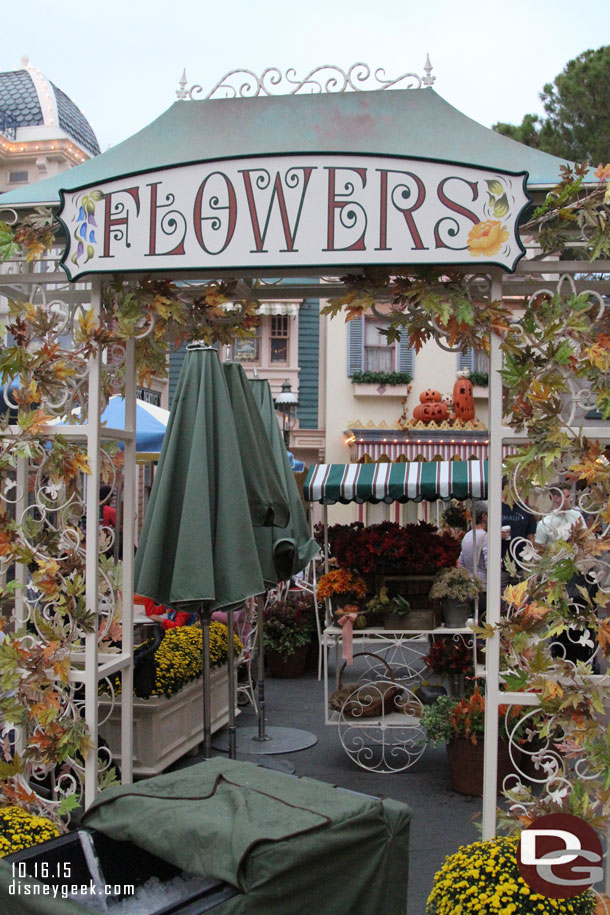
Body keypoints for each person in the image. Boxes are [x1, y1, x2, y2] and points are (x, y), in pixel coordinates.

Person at [535, 483, 592, 665]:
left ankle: (582, 657)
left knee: (580, 613)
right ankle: (559, 656)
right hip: (556, 577)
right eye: (565, 496)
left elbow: (585, 542)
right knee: (558, 618)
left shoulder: (576, 516)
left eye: (569, 496)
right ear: (556, 498)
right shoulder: (545, 523)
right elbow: (540, 554)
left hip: (576, 575)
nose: (568, 500)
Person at [458, 500, 488, 619]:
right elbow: (489, 563)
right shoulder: (484, 536)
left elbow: (461, 563)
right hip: (484, 587)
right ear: (484, 517)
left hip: (470, 587)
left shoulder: (467, 536)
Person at [501, 496, 537, 588]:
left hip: (521, 564)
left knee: (520, 598)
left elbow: (530, 537)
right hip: (500, 565)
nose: (519, 492)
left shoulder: (525, 510)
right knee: (498, 598)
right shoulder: (496, 507)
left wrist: (530, 561)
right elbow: (486, 533)